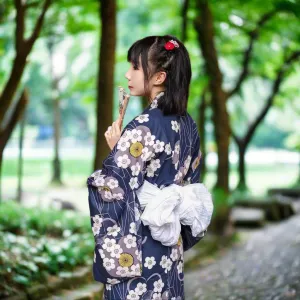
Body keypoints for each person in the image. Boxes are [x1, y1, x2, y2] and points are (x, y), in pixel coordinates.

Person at [86, 35, 213, 300]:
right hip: (169, 242)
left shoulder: (142, 126)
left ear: (159, 77)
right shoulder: (189, 125)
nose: (127, 73)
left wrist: (116, 150)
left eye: (135, 67)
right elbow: (192, 182)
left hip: (138, 247)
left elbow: (115, 186)